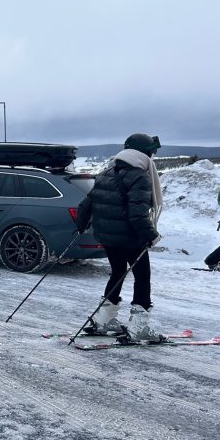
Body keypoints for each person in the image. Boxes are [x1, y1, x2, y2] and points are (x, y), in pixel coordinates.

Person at [76, 133, 164, 343]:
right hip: (131, 238)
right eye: (151, 152)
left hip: (107, 237)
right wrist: (152, 236)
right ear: (144, 154)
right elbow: (137, 215)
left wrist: (81, 227)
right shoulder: (140, 177)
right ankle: (138, 328)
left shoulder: (107, 172)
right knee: (142, 278)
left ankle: (104, 321)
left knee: (117, 273)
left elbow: (86, 205)